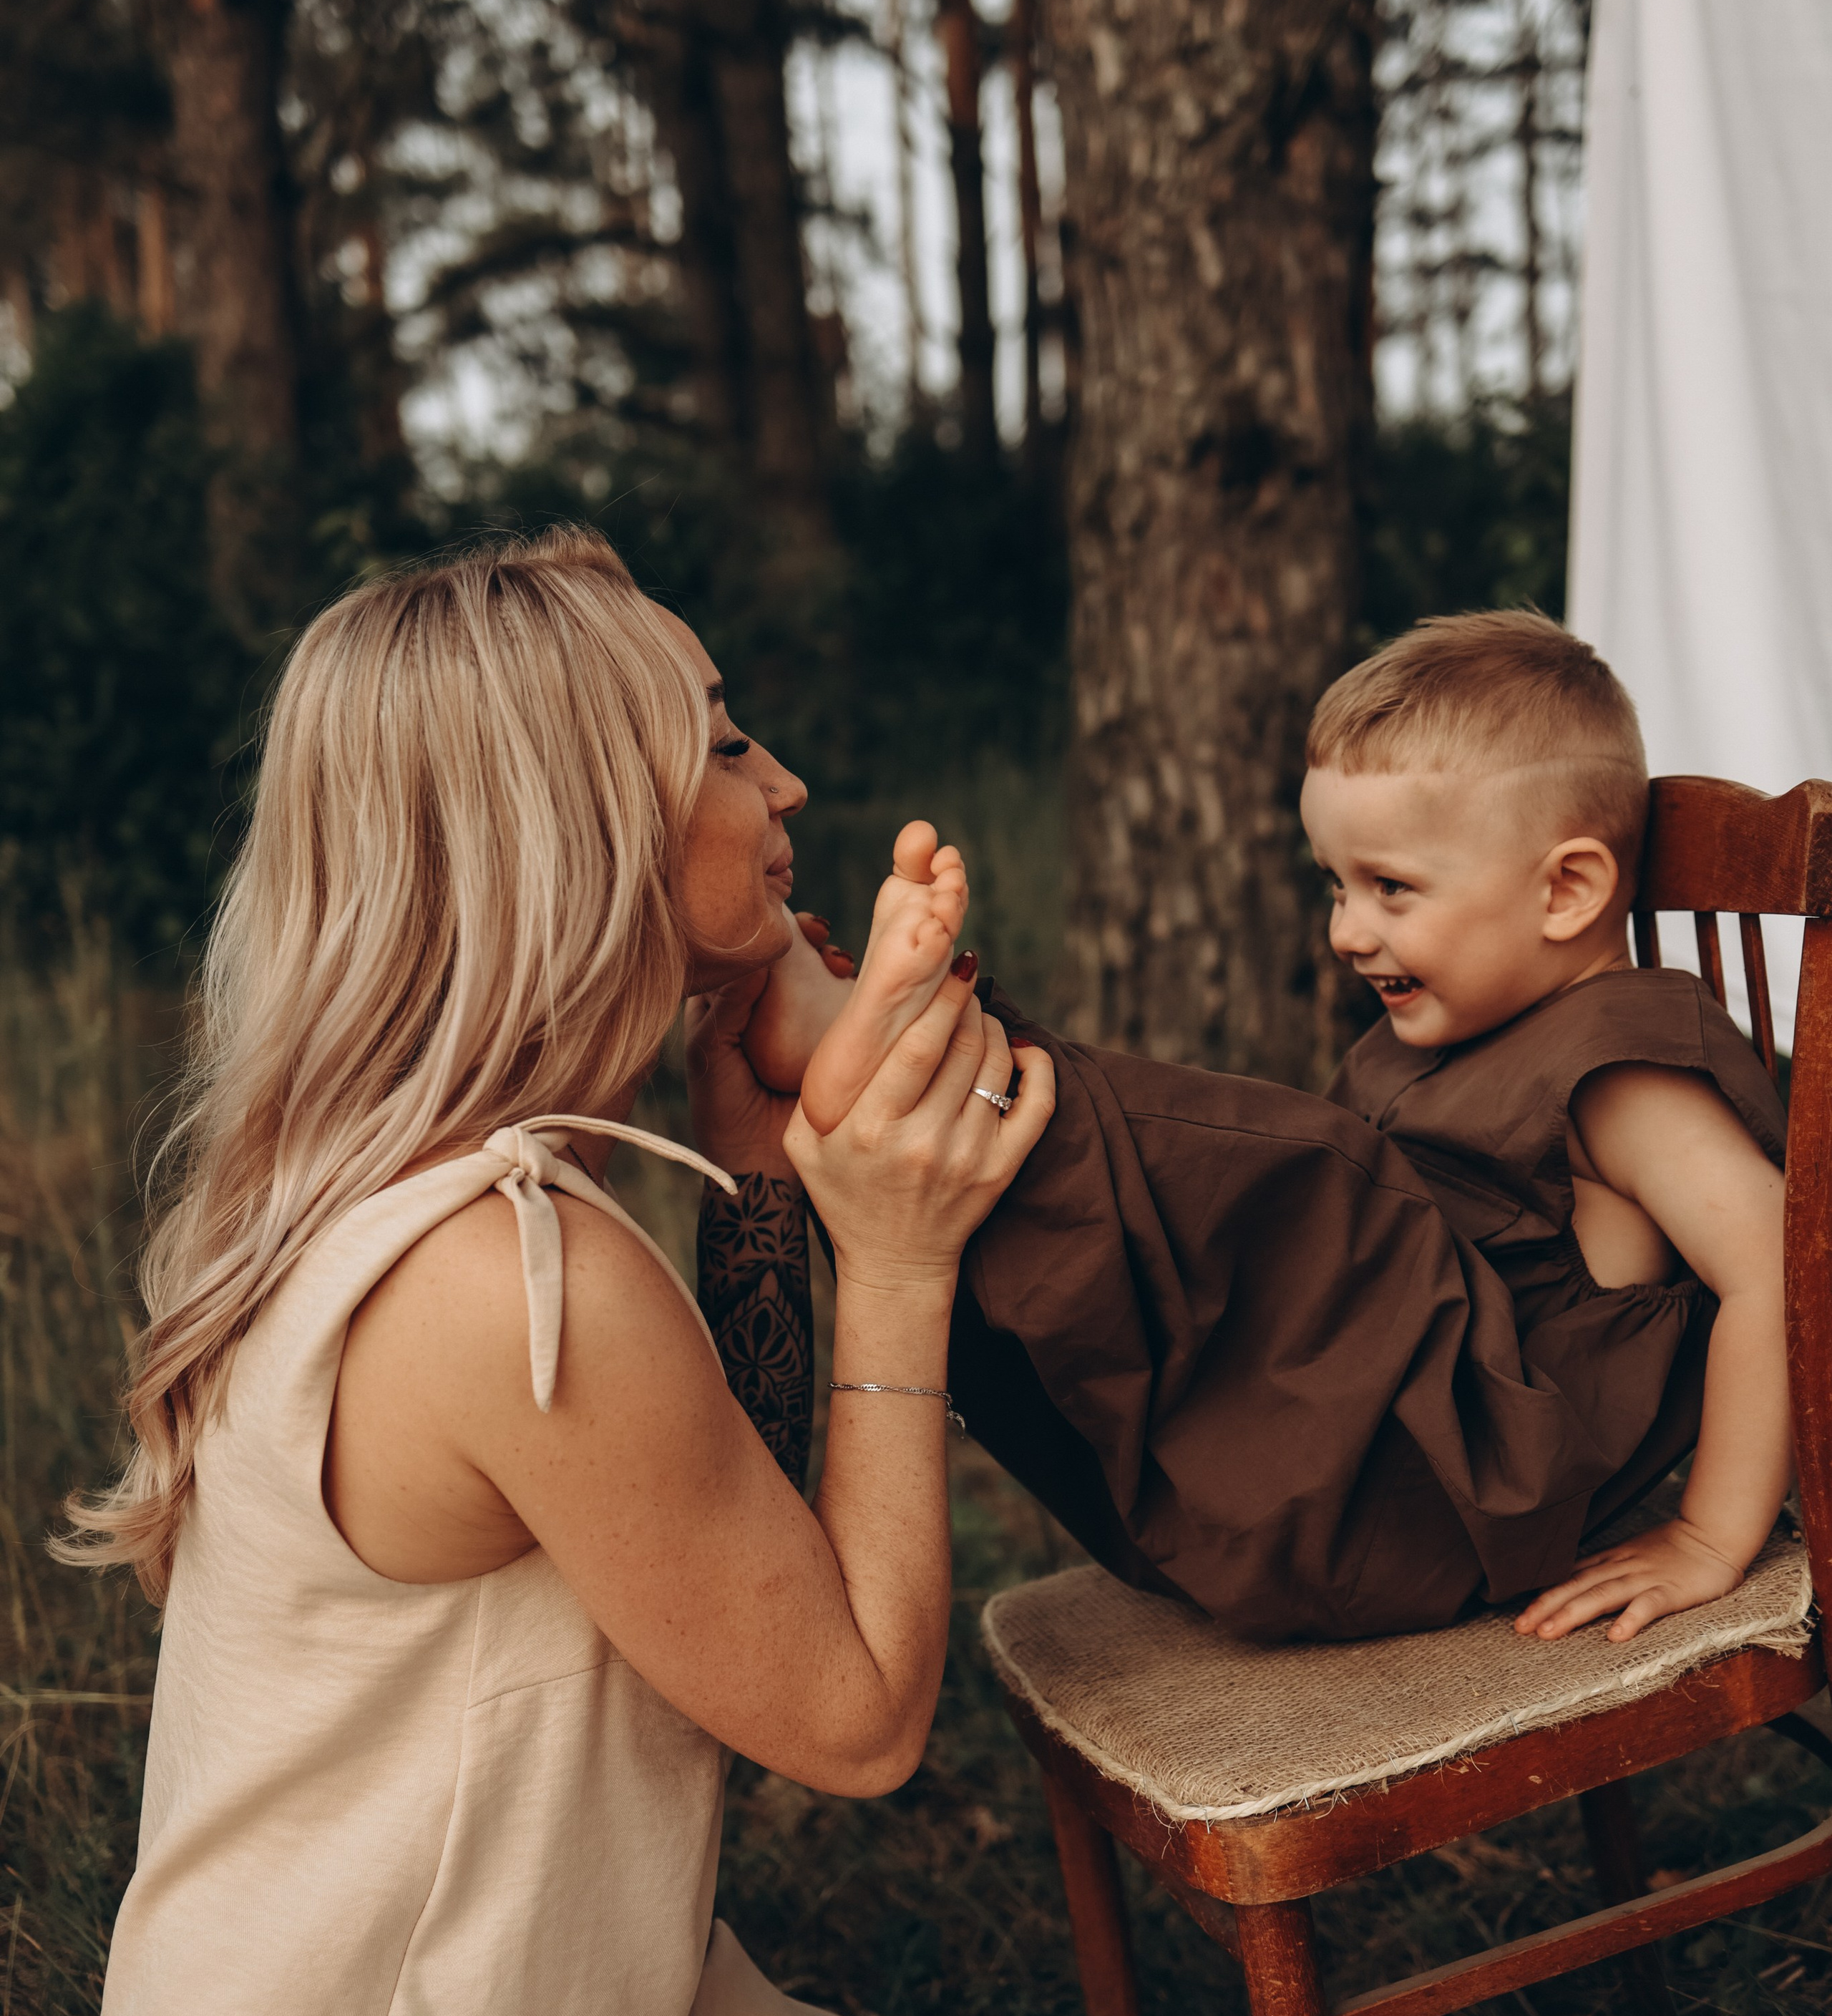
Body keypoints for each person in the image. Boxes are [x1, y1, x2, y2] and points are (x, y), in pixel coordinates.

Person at [58, 527, 1249, 2016]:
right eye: (723, 745)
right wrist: (901, 1261)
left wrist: (763, 1174)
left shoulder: (418, 1186)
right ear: (577, 819)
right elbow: (852, 1717)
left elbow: (736, 1584)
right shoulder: (510, 1276)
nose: (780, 789)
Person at [751, 612, 1790, 1650]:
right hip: (1346, 1442)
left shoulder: (1624, 1070)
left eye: (1391, 888)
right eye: (1336, 885)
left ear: (1567, 891)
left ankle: (926, 1050)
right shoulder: (1453, 1040)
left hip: (1434, 1491)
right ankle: (930, 1070)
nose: (1347, 931)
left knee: (1278, 1177)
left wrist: (1707, 1535)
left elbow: (1780, 1263)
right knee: (1178, 1231)